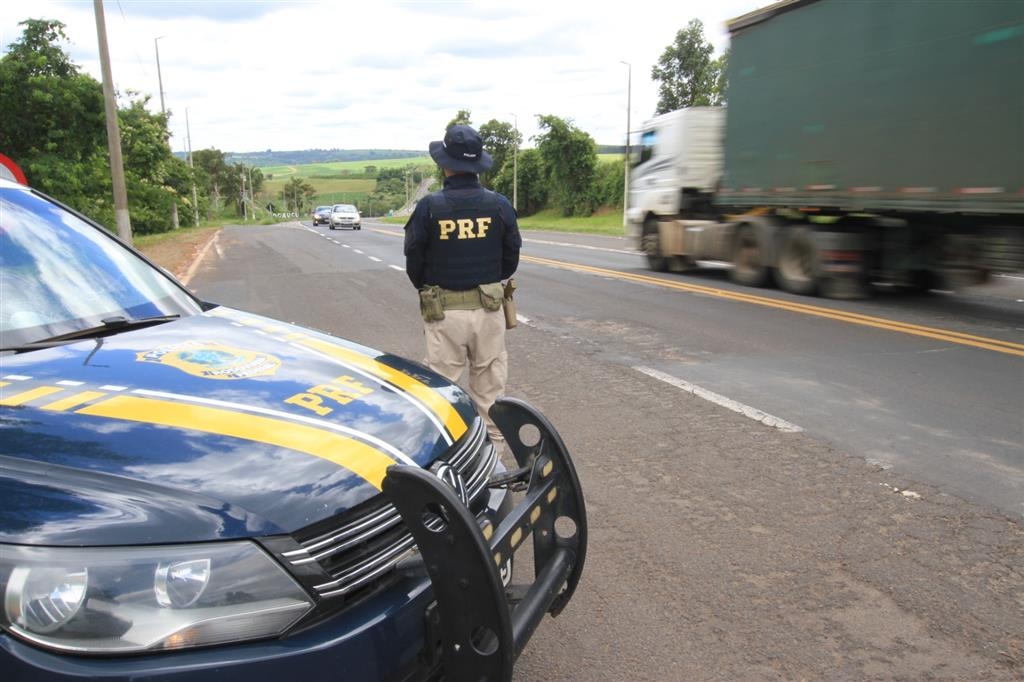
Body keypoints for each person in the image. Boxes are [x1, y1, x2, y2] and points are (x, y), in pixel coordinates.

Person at [404, 124, 522, 454]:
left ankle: (445, 464)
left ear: (446, 165)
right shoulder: (499, 205)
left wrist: (433, 288)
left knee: (441, 393)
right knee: (490, 392)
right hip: (489, 311)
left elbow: (414, 262)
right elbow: (510, 259)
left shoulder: (429, 208)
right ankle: (493, 462)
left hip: (443, 313)